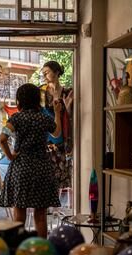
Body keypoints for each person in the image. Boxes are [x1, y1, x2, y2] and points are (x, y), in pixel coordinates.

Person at [0, 83, 62, 238]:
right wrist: (57, 113)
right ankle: (41, 250)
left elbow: (2, 139)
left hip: (22, 169)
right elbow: (57, 133)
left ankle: (19, 249)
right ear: (36, 99)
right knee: (40, 217)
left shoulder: (15, 119)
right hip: (42, 168)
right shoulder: (44, 118)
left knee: (19, 216)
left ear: (20, 100)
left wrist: (10, 156)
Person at [41, 61, 74, 189]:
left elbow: (72, 117)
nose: (44, 75)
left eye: (47, 72)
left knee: (60, 175)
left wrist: (68, 108)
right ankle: (47, 208)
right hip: (46, 137)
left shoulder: (67, 92)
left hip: (62, 137)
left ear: (57, 72)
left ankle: (55, 209)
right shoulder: (41, 92)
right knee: (45, 176)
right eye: (43, 73)